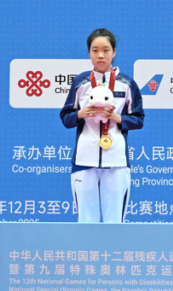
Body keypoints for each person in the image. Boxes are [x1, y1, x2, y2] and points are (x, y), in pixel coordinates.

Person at [60, 28, 144, 223]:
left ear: (114, 52)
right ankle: (87, 254)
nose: (100, 55)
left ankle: (111, 254)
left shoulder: (127, 83)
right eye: (95, 50)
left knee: (114, 222)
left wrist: (118, 118)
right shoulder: (80, 82)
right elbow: (65, 117)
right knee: (86, 221)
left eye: (106, 50)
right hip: (84, 161)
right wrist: (80, 114)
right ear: (89, 52)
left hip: (116, 162)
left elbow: (139, 119)